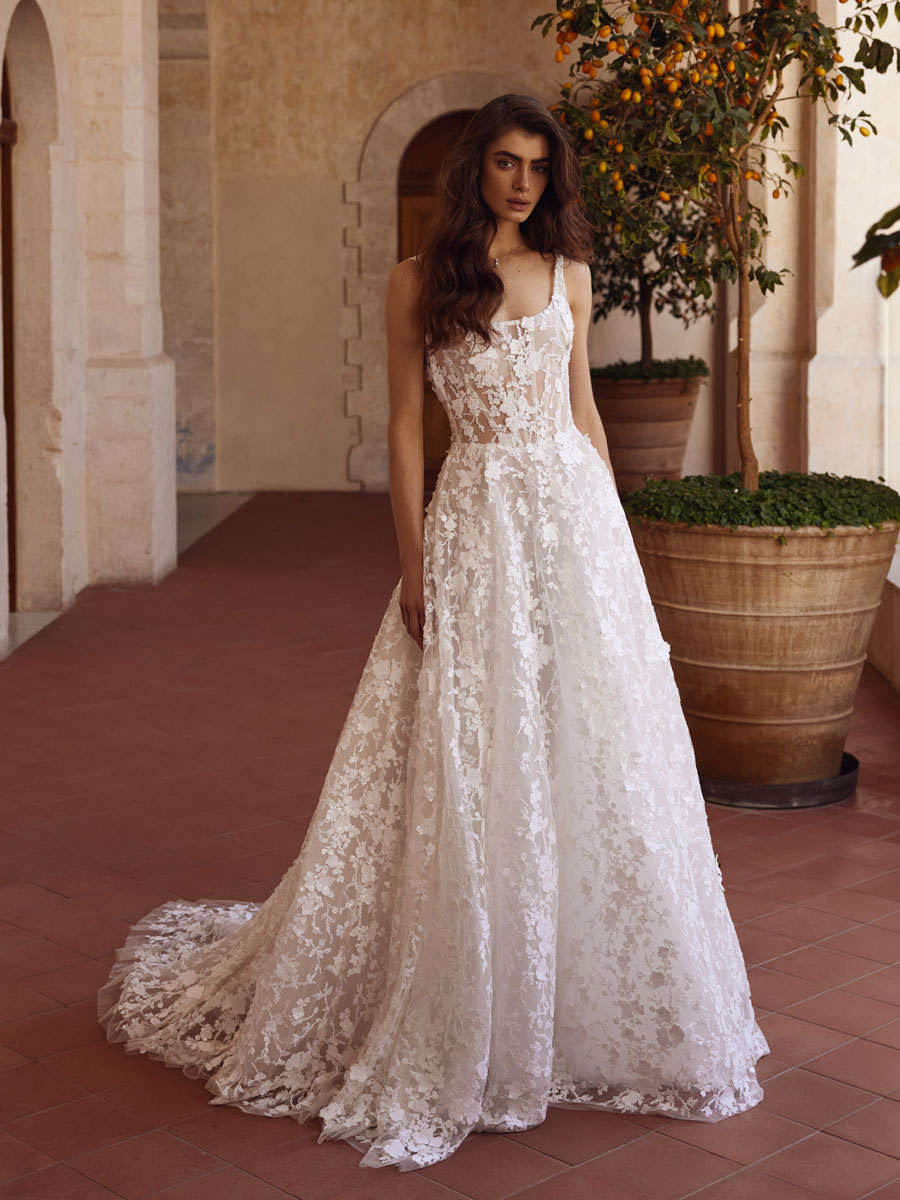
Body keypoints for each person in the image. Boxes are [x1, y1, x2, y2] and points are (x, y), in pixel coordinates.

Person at [97, 93, 769, 1174]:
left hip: (572, 528)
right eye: (505, 164)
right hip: (476, 528)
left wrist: (616, 547)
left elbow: (583, 410)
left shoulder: (573, 272)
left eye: (538, 169)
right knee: (473, 743)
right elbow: (410, 434)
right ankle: (471, 983)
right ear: (477, 171)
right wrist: (415, 569)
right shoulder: (418, 281)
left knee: (590, 746)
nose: (521, 183)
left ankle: (575, 990)